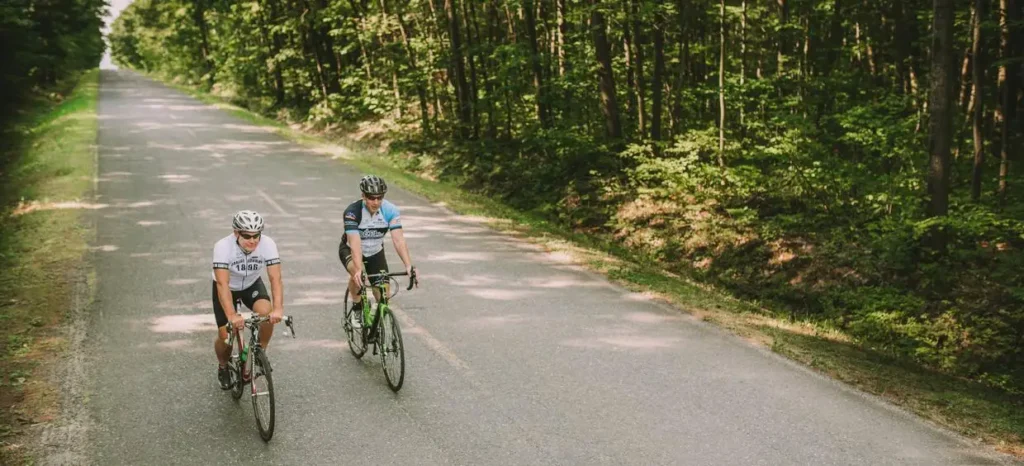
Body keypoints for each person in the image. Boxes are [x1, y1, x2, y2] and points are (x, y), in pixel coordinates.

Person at [211, 210, 285, 390]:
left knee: (266, 313)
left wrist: (278, 309)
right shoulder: (223, 246)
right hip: (227, 287)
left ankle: (261, 353)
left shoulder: (267, 244)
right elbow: (222, 283)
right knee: (225, 336)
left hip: (251, 284)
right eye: (247, 236)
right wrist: (231, 315)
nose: (252, 240)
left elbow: (276, 278)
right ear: (236, 233)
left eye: (256, 235)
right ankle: (223, 366)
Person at [338, 175, 415, 331]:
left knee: (383, 296)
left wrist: (408, 266)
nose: (376, 202)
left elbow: (399, 240)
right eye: (371, 198)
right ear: (363, 196)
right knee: (357, 275)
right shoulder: (352, 212)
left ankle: (375, 319)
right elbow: (355, 243)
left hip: (375, 252)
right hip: (351, 249)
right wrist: (359, 269)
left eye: (380, 198)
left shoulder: (390, 210)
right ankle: (358, 307)